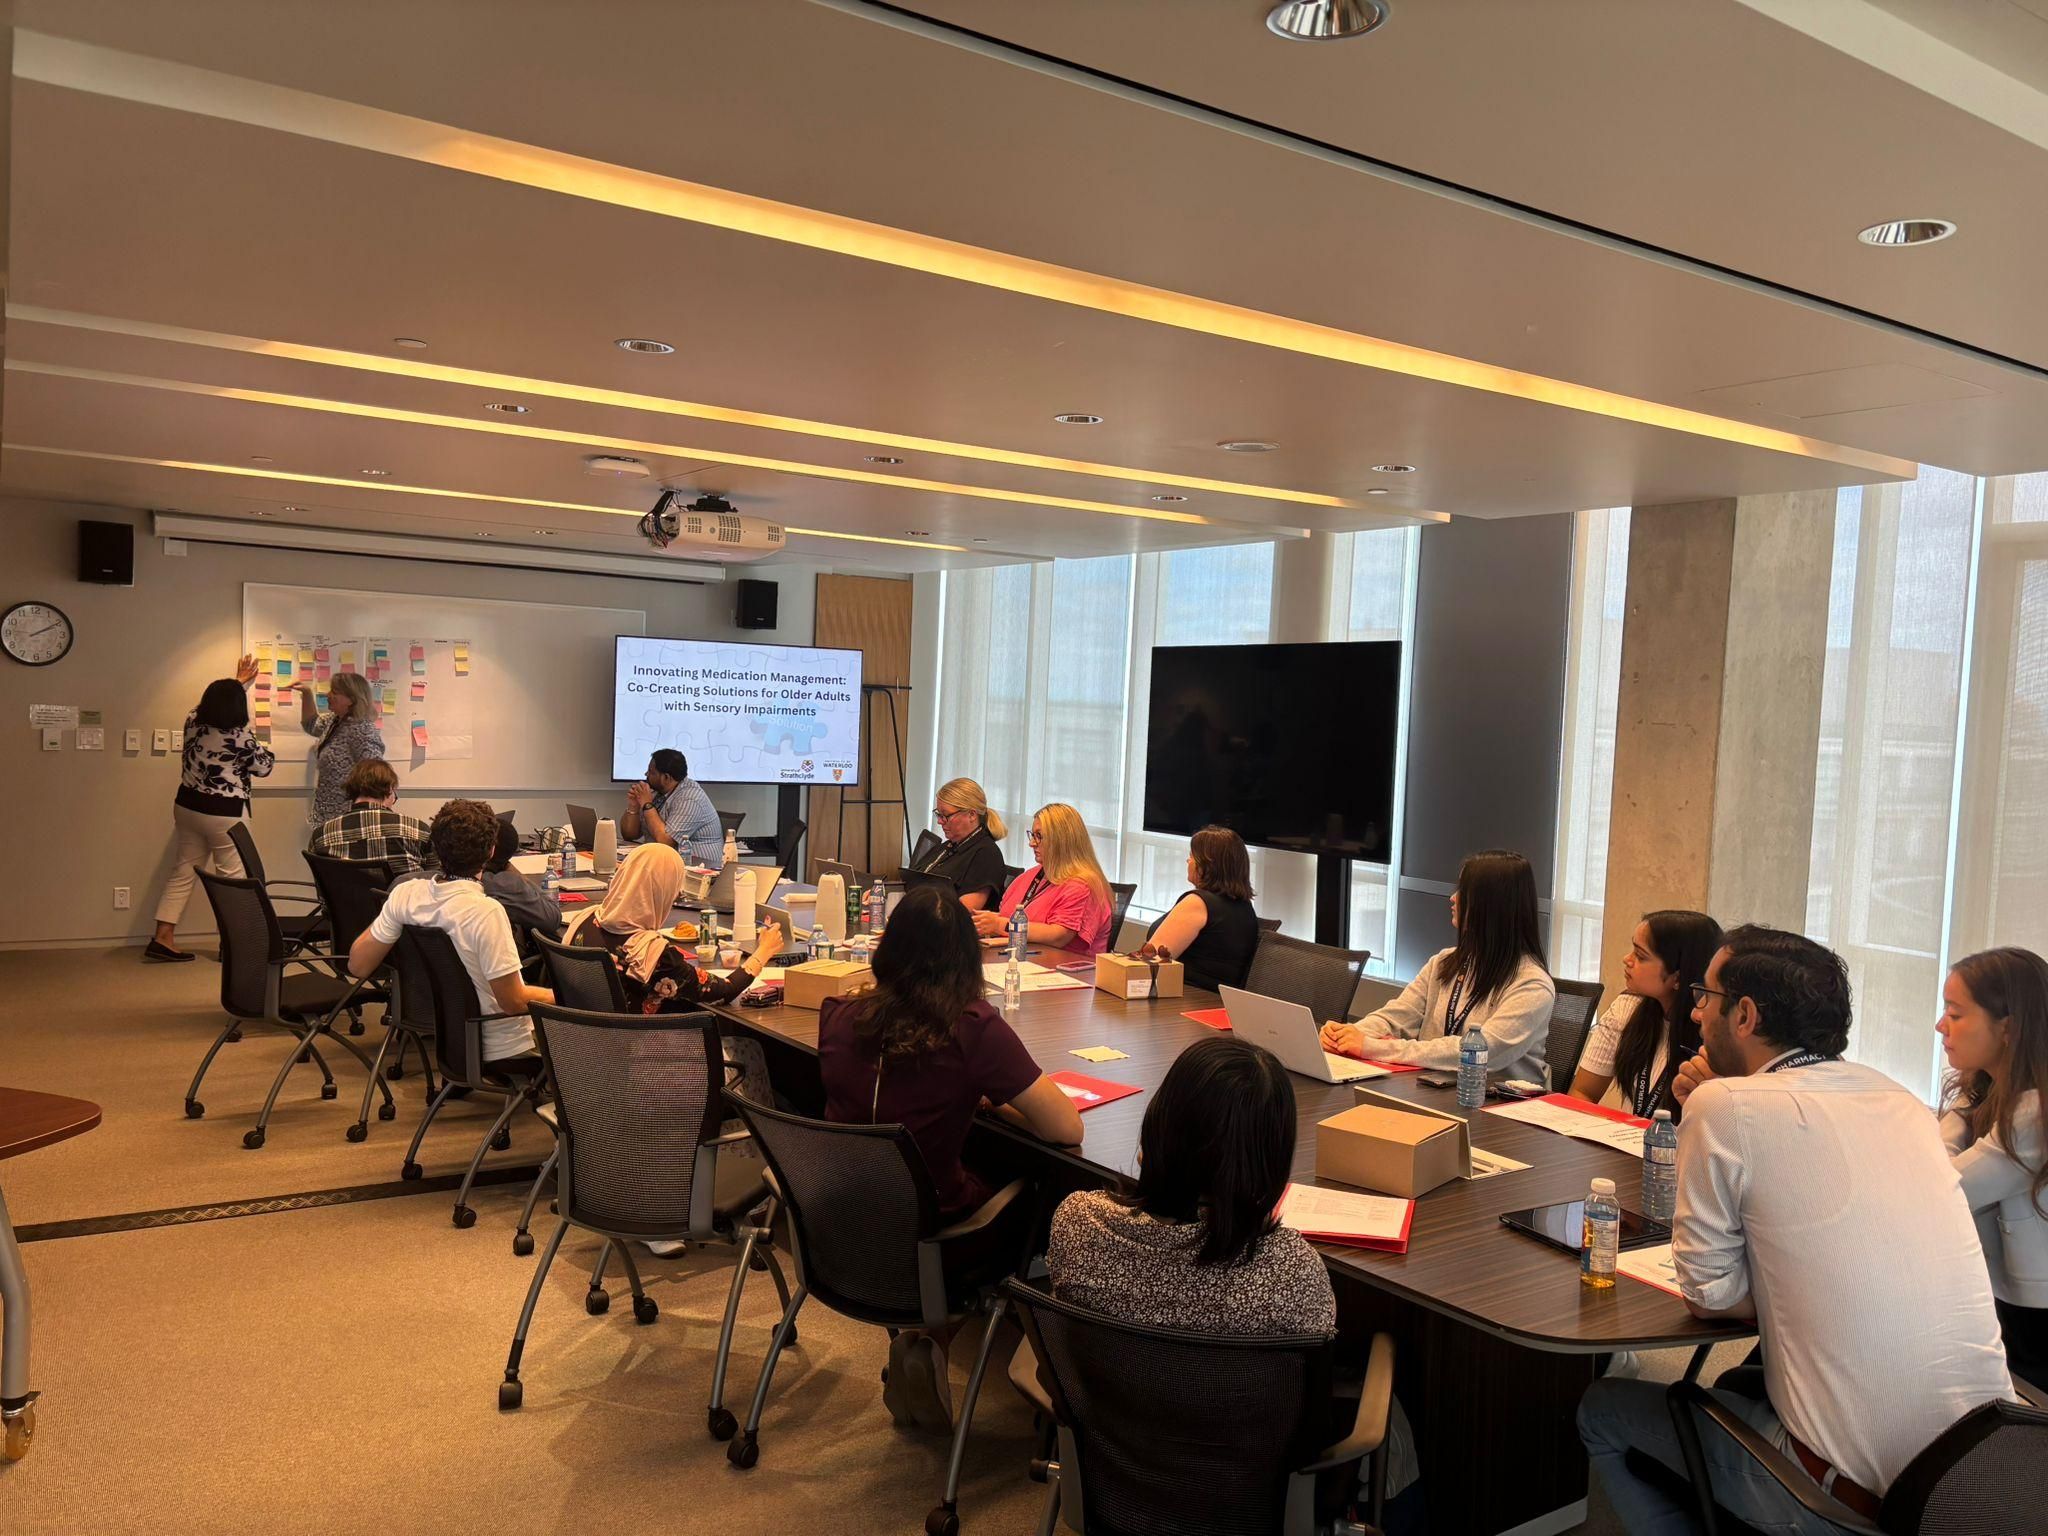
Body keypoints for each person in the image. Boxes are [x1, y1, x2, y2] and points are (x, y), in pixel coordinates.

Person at [1581, 926, 2013, 1533]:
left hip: (1849, 1503)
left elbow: (1710, 1296)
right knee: (1744, 1378)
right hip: (1984, 1483)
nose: (1698, 1013)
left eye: (1707, 996)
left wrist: (1789, 1287)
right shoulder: (1903, 1102)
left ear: (1746, 1015)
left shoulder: (1724, 1104)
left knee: (1603, 1409)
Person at [820, 884, 1082, 1429]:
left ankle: (927, 1337)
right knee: (1040, 1194)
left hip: (841, 1221)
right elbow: (1065, 1127)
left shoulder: (839, 1014)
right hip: (937, 1237)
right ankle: (942, 1335)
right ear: (967, 956)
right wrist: (998, 1103)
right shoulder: (971, 1027)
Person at [1048, 1034, 1333, 1334]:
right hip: (1226, 1383)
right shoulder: (1293, 1272)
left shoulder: (1078, 1222)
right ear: (1272, 1158)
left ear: (1159, 1125)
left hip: (1098, 1381)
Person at [348, 799, 552, 1066]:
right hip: (502, 1047)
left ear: (434, 847)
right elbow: (513, 1001)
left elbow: (358, 965)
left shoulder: (405, 895)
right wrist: (564, 996)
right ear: (491, 851)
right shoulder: (486, 912)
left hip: (443, 1030)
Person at [1320, 850, 1554, 1080]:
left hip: (1499, 1107)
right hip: (1432, 1091)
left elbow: (1481, 1052)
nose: (1453, 898)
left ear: (1491, 905)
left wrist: (1371, 1047)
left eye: (1464, 891)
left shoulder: (1532, 985)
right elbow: (1396, 1018)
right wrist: (1348, 1035)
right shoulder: (1444, 962)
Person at [1938, 947, 2048, 1389]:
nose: (1941, 1027)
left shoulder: (2034, 1112)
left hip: (2034, 1321)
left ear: (2008, 1028)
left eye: (1956, 1014)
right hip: (2007, 1301)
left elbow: (1945, 1191)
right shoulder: (1987, 1090)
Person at [148, 656, 274, 961]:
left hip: (187, 806)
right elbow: (265, 766)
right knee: (232, 880)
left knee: (182, 872)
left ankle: (163, 938)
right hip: (224, 814)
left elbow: (215, 703)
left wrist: (238, 682)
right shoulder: (239, 736)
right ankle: (232, 945)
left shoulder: (193, 720)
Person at [562, 843, 783, 1017]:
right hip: (645, 1060)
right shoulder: (651, 954)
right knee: (752, 1050)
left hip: (583, 1052)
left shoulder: (584, 920)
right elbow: (725, 990)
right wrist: (764, 950)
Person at [1568, 909, 1721, 1117]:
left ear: (1678, 977)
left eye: (1640, 956)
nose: (1627, 959)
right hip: (1624, 1141)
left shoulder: (1714, 1032)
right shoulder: (1626, 1008)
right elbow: (1582, 1092)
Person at [972, 803, 1114, 960]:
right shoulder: (1031, 875)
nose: (1032, 843)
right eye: (1032, 835)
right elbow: (1011, 915)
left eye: (1039, 836)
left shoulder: (1083, 885)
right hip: (1021, 963)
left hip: (1065, 974)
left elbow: (1058, 936)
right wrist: (988, 921)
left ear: (1061, 840)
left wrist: (999, 924)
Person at [1131, 825, 1261, 994]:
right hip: (1216, 1003)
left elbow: (1149, 965)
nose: (1188, 861)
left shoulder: (1198, 903)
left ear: (1208, 864)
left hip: (1182, 999)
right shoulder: (1245, 908)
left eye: (1192, 856)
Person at [285, 670, 386, 830]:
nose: (328, 694)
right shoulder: (335, 720)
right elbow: (311, 724)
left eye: (335, 692)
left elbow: (376, 776)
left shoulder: (362, 730)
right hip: (326, 813)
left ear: (351, 699)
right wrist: (307, 693)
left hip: (347, 820)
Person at [308, 758, 433, 873]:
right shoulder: (418, 831)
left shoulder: (320, 836)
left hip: (344, 898)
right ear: (389, 789)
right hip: (401, 897)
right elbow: (436, 880)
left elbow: (322, 890)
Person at [909, 777, 1010, 910]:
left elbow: (965, 911)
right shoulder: (948, 846)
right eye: (938, 814)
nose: (940, 821)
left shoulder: (986, 854)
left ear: (972, 815)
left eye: (946, 815)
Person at [622, 748, 723, 866]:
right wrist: (633, 805)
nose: (646, 774)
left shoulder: (690, 798)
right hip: (663, 863)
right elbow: (630, 835)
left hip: (698, 869)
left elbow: (665, 842)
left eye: (651, 772)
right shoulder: (657, 792)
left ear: (666, 778)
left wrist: (646, 804)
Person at [481, 818, 561, 944]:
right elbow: (553, 917)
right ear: (491, 851)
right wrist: (517, 875)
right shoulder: (505, 885)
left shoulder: (441, 878)